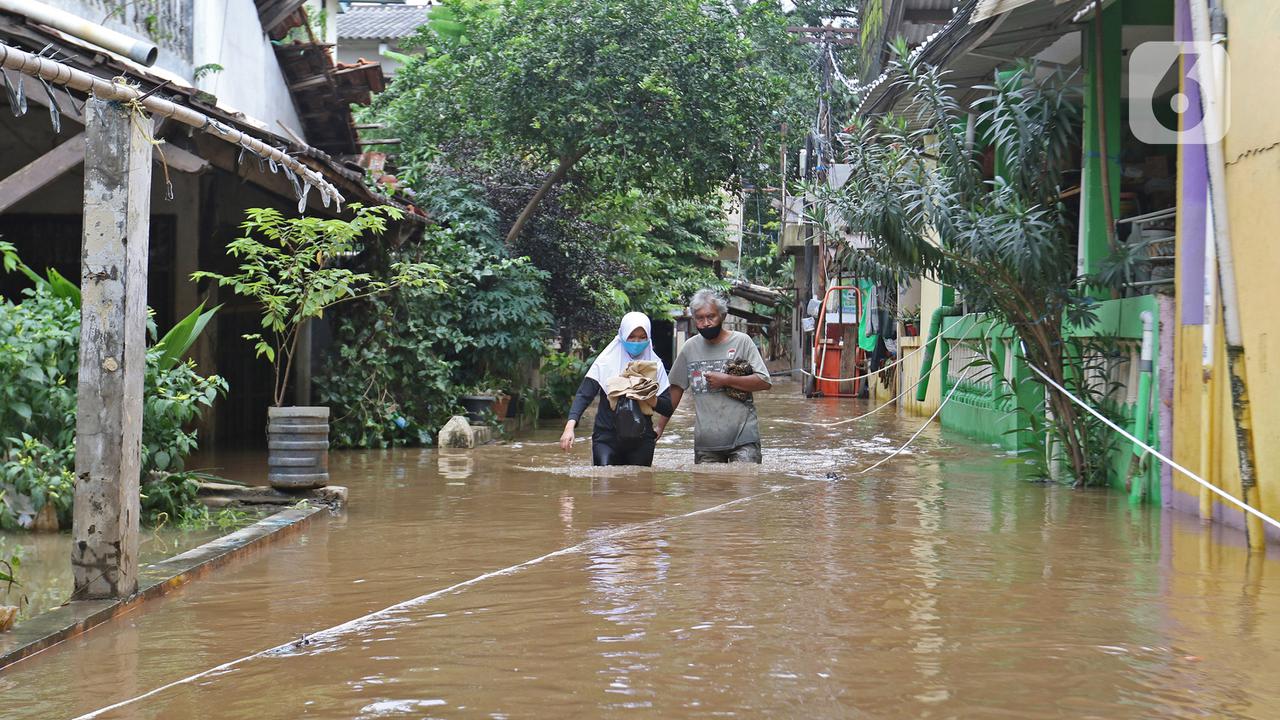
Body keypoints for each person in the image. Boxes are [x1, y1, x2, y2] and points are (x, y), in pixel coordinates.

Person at [657, 289, 772, 463]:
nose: (706, 323)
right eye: (700, 318)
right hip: (706, 443)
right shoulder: (689, 348)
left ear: (723, 316)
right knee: (708, 489)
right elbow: (675, 389)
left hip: (744, 439)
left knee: (746, 486)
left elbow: (764, 381)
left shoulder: (742, 342)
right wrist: (659, 427)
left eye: (711, 317)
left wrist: (727, 380)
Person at [560, 312, 674, 466]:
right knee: (604, 483)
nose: (636, 342)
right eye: (632, 336)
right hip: (606, 437)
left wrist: (649, 397)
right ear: (622, 335)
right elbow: (584, 395)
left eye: (642, 337)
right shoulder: (605, 362)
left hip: (641, 440)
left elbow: (667, 408)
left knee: (640, 487)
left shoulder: (655, 365)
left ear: (649, 338)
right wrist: (569, 427)